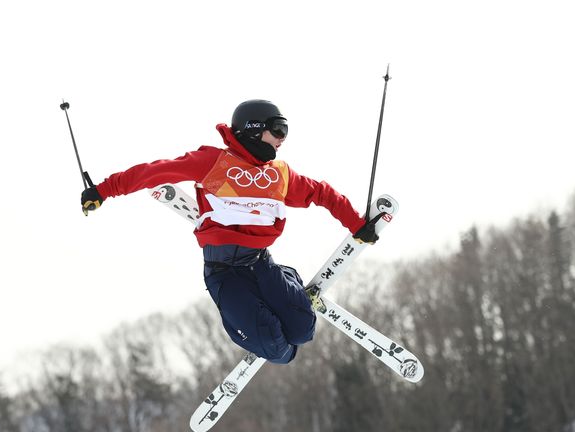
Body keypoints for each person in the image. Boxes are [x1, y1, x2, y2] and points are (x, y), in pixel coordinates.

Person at [80, 100, 379, 364]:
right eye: (278, 130)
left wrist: (357, 224)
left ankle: (288, 287)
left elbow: (322, 193)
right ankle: (263, 335)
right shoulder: (213, 163)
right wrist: (104, 190)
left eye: (284, 131)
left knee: (303, 330)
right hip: (224, 273)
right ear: (253, 129)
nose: (281, 139)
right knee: (280, 349)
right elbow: (154, 171)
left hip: (261, 264)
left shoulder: (279, 174)